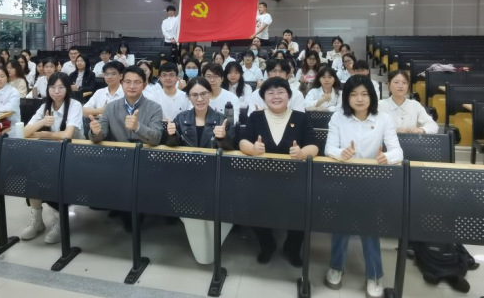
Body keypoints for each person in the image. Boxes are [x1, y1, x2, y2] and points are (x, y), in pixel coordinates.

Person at [323, 75, 403, 298]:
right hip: (343, 178)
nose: (359, 99)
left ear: (372, 97)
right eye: (354, 94)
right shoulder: (338, 118)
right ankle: (336, 266)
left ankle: (374, 274)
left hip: (372, 181)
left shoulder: (383, 119)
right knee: (341, 223)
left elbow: (398, 151)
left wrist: (386, 157)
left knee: (370, 225)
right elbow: (329, 148)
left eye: (364, 94)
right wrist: (342, 153)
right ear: (347, 98)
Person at [240, 77, 318, 265]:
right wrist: (253, 149)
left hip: (295, 180)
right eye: (270, 93)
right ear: (263, 97)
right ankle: (267, 245)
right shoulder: (256, 117)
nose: (276, 96)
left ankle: (292, 249)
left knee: (300, 212)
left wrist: (302, 153)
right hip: (260, 179)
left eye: (281, 92)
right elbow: (243, 141)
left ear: (289, 96)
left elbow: (314, 146)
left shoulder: (300, 118)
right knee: (254, 209)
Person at [165, 76, 234, 264]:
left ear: (210, 94)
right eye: (194, 95)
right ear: (188, 97)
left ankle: (208, 249)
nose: (200, 99)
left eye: (204, 94)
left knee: (214, 216)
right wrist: (171, 135)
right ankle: (204, 250)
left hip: (215, 178)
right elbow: (173, 147)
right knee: (194, 217)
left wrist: (222, 138)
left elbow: (231, 150)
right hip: (187, 179)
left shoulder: (222, 119)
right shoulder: (181, 119)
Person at [22, 73, 83, 244]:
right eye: (52, 87)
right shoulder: (44, 107)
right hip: (50, 153)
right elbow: (24, 132)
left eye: (61, 87)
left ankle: (59, 221)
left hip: (75, 154)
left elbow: (67, 135)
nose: (56, 91)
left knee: (52, 176)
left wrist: (43, 134)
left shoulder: (75, 105)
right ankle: (37, 220)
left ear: (68, 89)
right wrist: (42, 123)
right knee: (31, 173)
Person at [88, 66, 163, 145]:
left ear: (144, 85)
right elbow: (99, 135)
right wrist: (95, 132)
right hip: (117, 151)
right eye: (128, 82)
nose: (132, 86)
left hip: (143, 151)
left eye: (137, 82)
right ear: (122, 84)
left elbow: (156, 139)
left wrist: (138, 127)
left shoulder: (155, 108)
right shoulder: (111, 107)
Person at [379, 70, 438, 134]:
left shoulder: (415, 105)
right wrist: (392, 131)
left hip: (410, 140)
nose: (400, 86)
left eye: (404, 82)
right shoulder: (380, 105)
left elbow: (433, 126)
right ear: (389, 85)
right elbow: (372, 128)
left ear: (408, 86)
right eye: (396, 82)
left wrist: (421, 130)